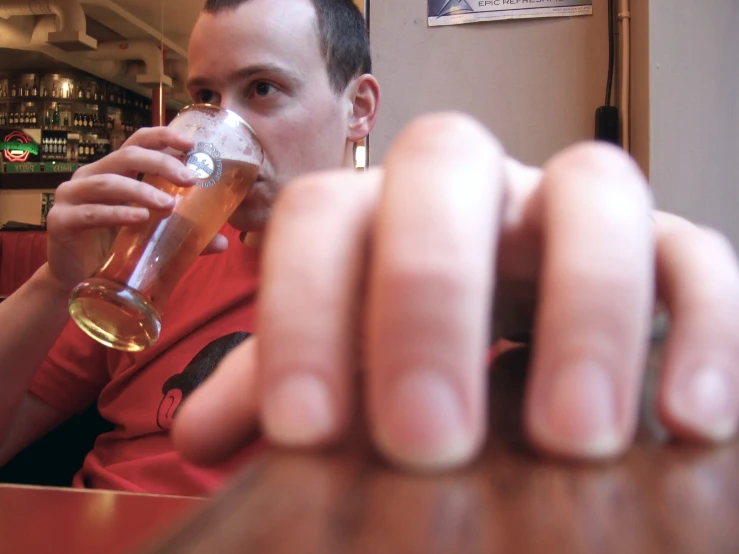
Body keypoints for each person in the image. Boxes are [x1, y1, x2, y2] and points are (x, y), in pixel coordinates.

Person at [1, 0, 738, 495]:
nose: (220, 133)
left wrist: (640, 289)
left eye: (262, 90)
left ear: (358, 109)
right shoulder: (150, 264)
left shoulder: (440, 255)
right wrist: (50, 282)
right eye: (204, 97)